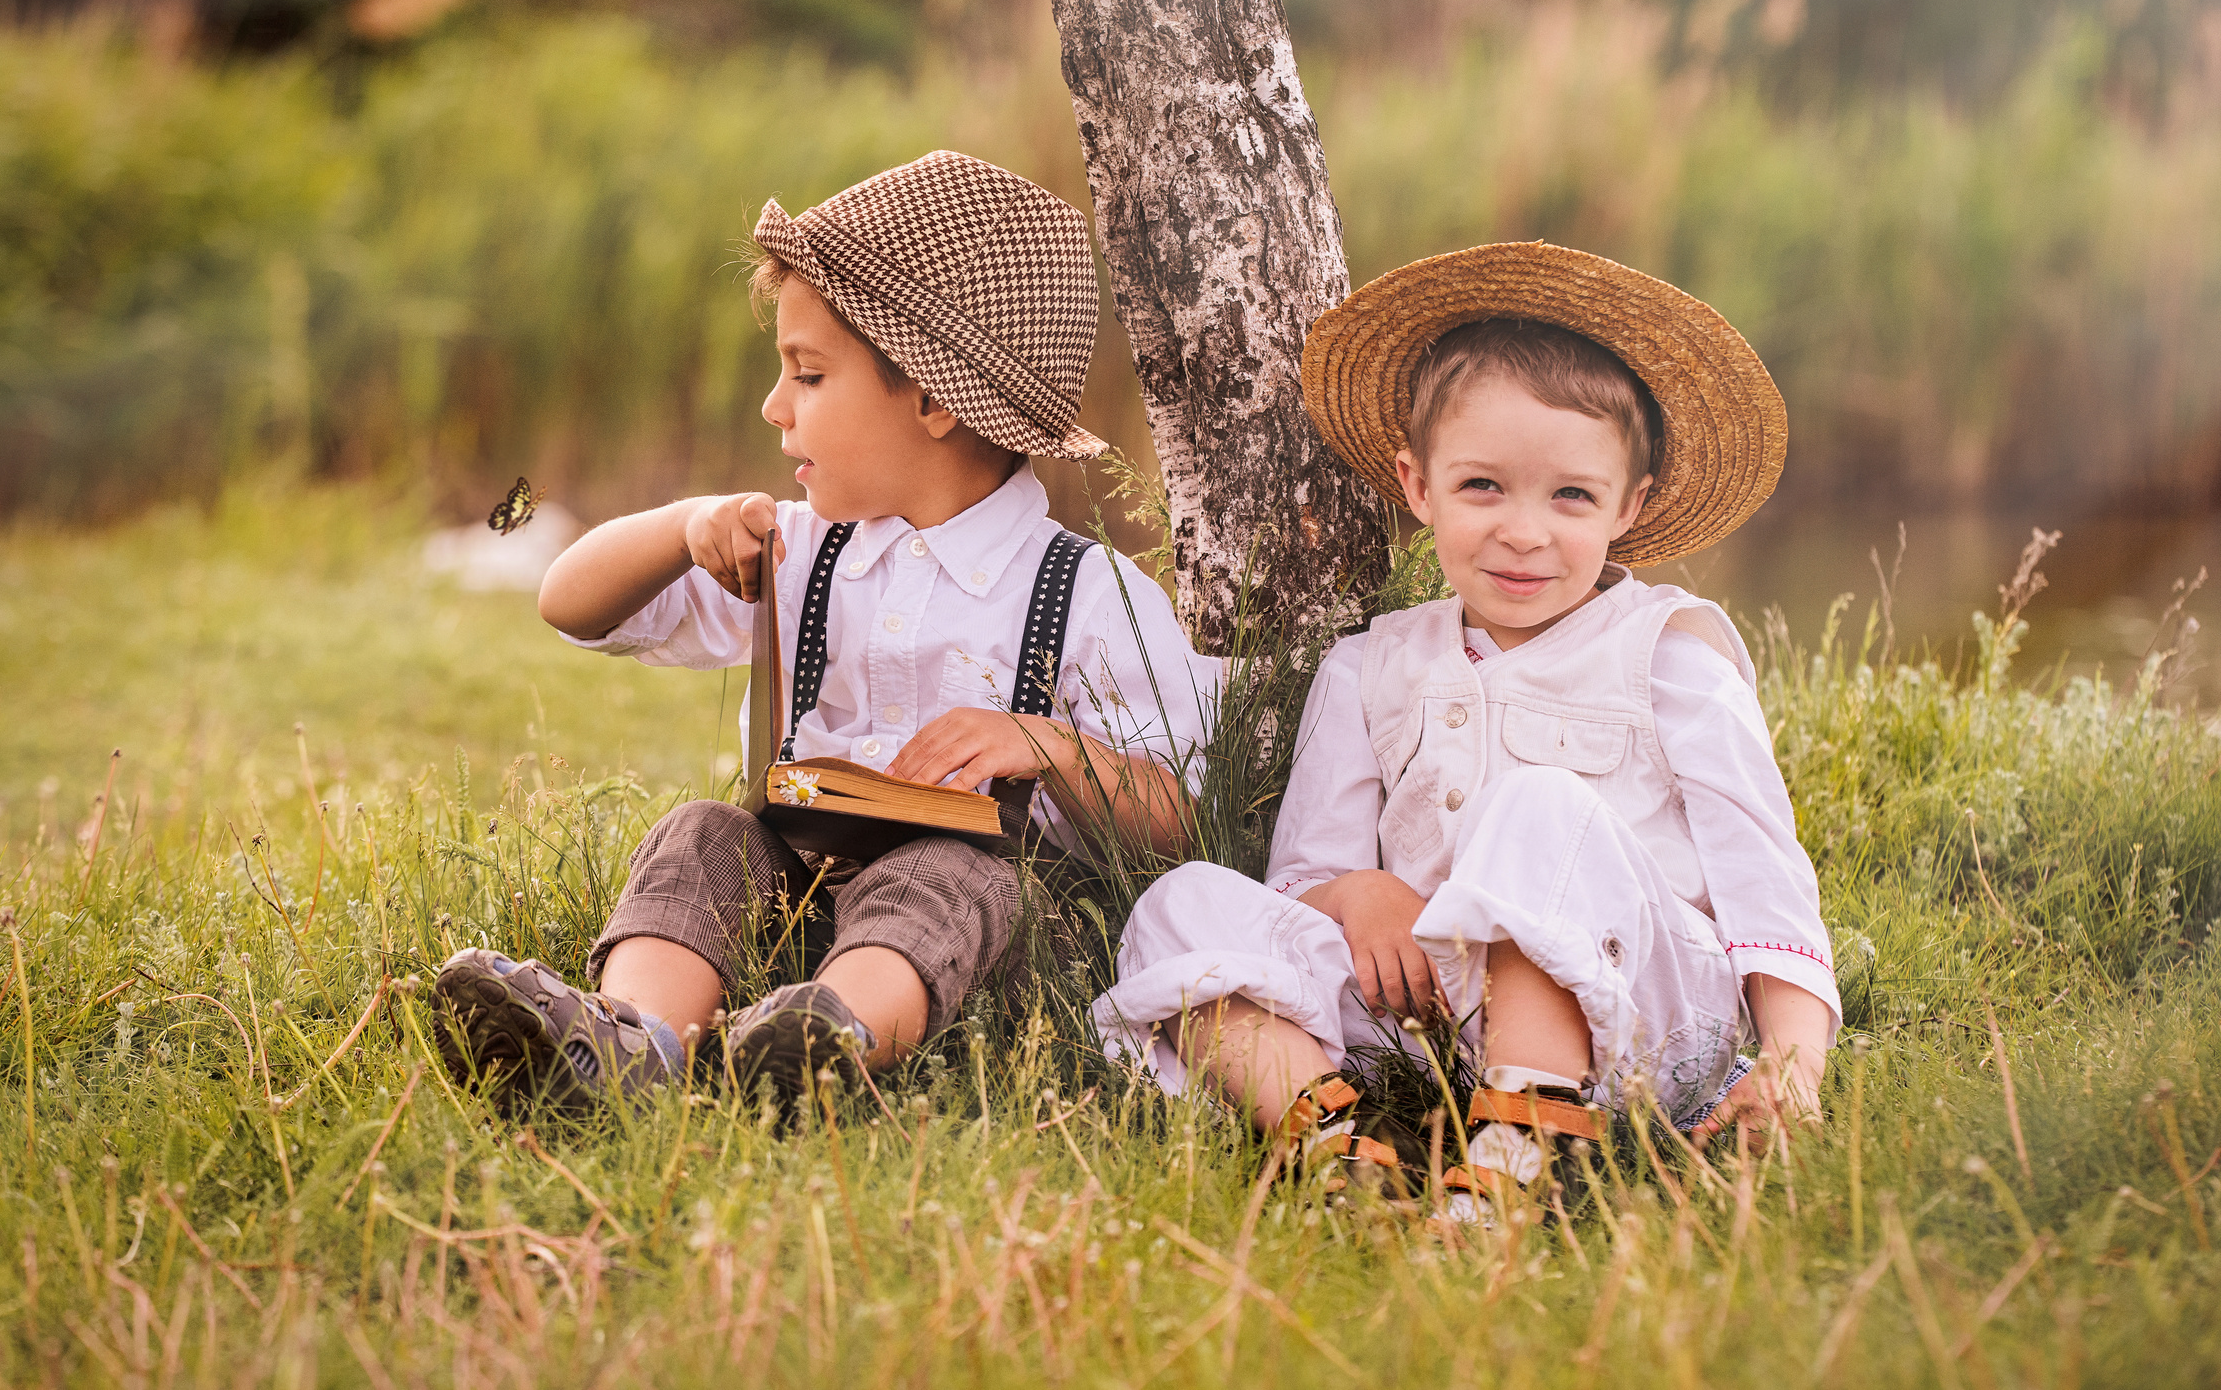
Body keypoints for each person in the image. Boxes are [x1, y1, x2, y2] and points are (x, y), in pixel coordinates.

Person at [436, 150, 1209, 1111]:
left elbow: (1180, 815)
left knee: (945, 872)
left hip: (987, 951)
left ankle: (825, 1044)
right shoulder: (802, 552)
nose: (773, 406)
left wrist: (1045, 746)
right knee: (705, 833)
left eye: (807, 374)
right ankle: (635, 1043)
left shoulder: (1090, 594)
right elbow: (570, 602)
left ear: (934, 397)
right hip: (803, 904)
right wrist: (685, 527)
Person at [1093, 240, 1840, 1215]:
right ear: (1417, 485)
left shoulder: (1667, 652)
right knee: (1181, 900)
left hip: (1643, 1014)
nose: (1523, 530)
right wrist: (1357, 893)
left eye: (1571, 495)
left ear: (1631, 505)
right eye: (1482, 485)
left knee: (1534, 804)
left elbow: (1764, 880)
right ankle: (1329, 1140)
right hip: (1435, 1019)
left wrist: (1790, 1065)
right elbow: (1300, 879)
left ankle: (1516, 1162)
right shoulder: (1371, 663)